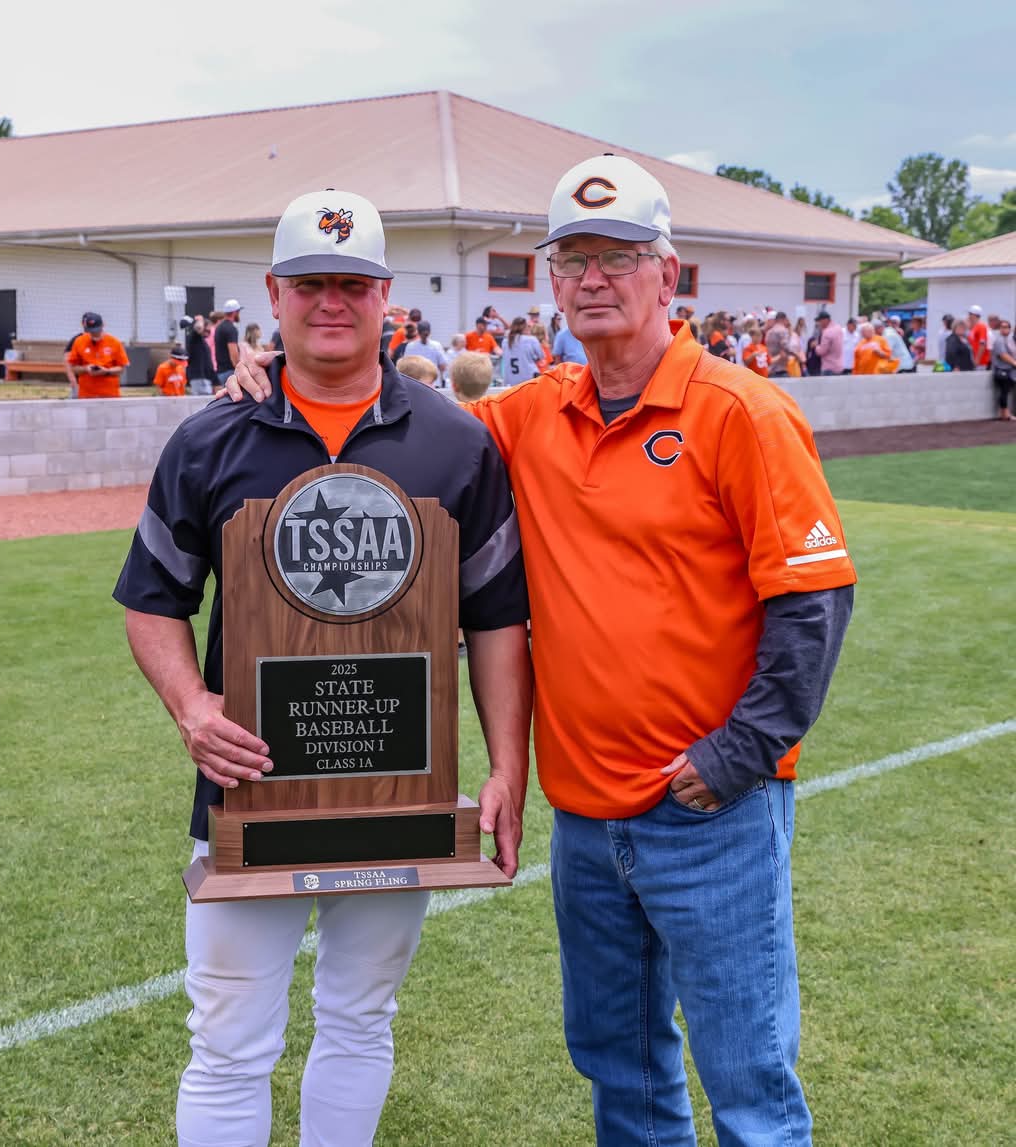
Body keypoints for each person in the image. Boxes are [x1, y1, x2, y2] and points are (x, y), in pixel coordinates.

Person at [229, 155, 856, 1146]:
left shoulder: (741, 412)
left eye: (619, 257)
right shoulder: (533, 414)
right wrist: (287, 373)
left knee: (748, 1078)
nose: (594, 278)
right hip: (588, 819)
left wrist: (736, 755)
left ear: (668, 273)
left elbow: (816, 599)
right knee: (622, 1067)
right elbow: (406, 436)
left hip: (712, 811)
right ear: (553, 278)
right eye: (574, 259)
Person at [116, 187, 531, 1147]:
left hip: (398, 785)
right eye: (310, 284)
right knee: (227, 1039)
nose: (330, 302)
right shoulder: (214, 434)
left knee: (359, 1019)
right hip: (252, 784)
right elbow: (152, 597)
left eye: (351, 283)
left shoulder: (455, 440)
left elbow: (498, 619)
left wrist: (509, 766)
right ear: (275, 293)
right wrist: (190, 704)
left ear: (386, 296)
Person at [66, 313, 129, 398]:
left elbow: (121, 369)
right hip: (86, 395)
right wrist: (86, 369)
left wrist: (106, 371)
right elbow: (73, 367)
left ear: (103, 325)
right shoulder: (79, 342)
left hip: (110, 394)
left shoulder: (114, 343)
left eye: (97, 330)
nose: (94, 334)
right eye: (91, 331)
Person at [499, 316, 544, 386]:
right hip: (528, 379)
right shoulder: (531, 340)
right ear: (525, 327)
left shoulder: (505, 342)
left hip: (510, 381)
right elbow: (541, 356)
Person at [186, 315, 219, 396]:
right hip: (198, 377)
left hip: (206, 378)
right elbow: (198, 328)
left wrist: (215, 380)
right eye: (207, 329)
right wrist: (201, 320)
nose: (208, 332)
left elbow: (208, 363)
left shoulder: (204, 343)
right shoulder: (195, 338)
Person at [990, 318, 1016, 420]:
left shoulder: (1009, 341)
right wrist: (1014, 363)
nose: (1004, 329)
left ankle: (1005, 413)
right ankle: (1005, 413)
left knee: (1006, 391)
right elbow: (1003, 355)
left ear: (1010, 329)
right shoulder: (999, 341)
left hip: (1009, 370)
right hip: (1001, 369)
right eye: (1002, 327)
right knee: (1004, 391)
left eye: (1006, 327)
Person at [213, 299, 242, 385]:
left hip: (220, 371)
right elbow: (233, 352)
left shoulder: (219, 328)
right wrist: (239, 369)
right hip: (229, 372)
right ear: (235, 312)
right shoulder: (231, 329)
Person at [815, 311, 843, 375]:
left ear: (825, 320)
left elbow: (822, 351)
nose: (819, 323)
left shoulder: (827, 332)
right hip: (839, 366)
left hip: (828, 368)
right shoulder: (838, 328)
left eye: (819, 321)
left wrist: (816, 346)